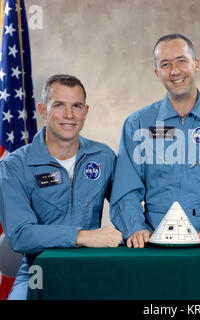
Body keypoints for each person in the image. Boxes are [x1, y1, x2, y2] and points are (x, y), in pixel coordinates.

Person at [110, 34, 200, 248]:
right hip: (153, 242)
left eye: (181, 61)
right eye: (165, 64)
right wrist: (136, 228)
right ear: (157, 73)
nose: (175, 71)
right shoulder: (138, 124)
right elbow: (125, 188)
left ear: (195, 64)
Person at [0, 74, 122, 300]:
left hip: (90, 267)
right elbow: (20, 235)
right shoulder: (14, 166)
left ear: (85, 112)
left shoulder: (103, 156)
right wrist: (82, 236)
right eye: (59, 105)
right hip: (39, 270)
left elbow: (126, 205)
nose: (69, 115)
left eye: (76, 106)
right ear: (43, 110)